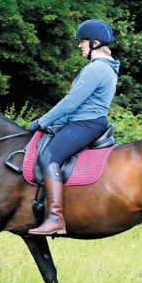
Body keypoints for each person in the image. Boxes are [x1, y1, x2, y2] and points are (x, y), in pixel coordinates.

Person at [27, 20, 120, 237]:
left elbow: (71, 102)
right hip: (87, 121)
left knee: (49, 158)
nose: (79, 45)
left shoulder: (95, 68)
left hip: (85, 124)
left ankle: (56, 218)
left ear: (95, 43)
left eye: (83, 41)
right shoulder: (108, 68)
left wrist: (43, 121)